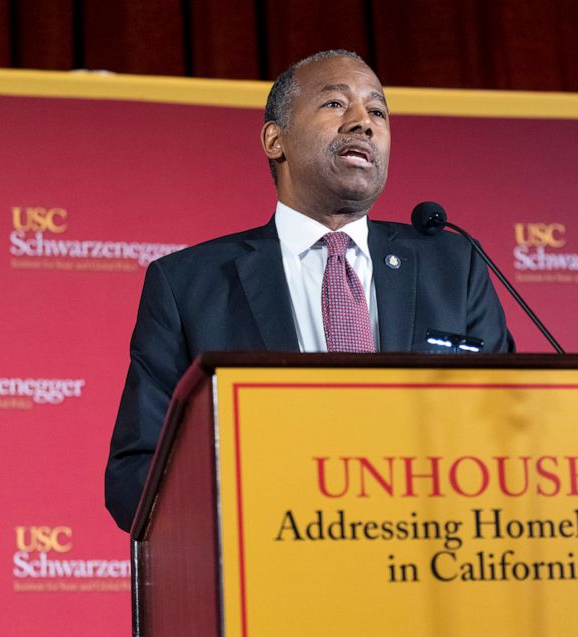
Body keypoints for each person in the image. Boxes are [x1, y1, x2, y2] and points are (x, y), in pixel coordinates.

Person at [104, 50, 514, 532]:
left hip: (430, 562)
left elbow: (505, 432)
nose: (364, 123)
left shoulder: (455, 264)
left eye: (378, 111)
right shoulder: (189, 285)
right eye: (336, 104)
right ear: (275, 140)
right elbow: (135, 475)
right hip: (271, 566)